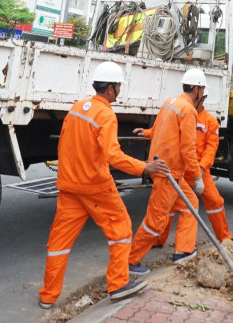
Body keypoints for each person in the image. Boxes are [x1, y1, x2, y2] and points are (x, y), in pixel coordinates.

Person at [38, 61, 170, 309]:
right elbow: (114, 155)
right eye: (119, 85)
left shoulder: (77, 108)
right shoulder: (106, 114)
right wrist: (145, 167)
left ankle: (47, 296)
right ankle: (119, 284)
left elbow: (63, 145)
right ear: (110, 88)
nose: (119, 89)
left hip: (69, 186)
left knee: (59, 242)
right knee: (120, 229)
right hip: (95, 186)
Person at [129, 68, 206, 268]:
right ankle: (130, 260)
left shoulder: (170, 101)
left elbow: (159, 129)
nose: (202, 96)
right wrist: (197, 177)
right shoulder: (188, 110)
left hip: (172, 173)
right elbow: (188, 148)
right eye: (203, 91)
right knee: (155, 221)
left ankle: (183, 251)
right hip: (168, 174)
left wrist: (146, 133)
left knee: (191, 205)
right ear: (196, 89)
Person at [135, 87, 233, 245]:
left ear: (201, 98)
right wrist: (147, 132)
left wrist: (200, 171)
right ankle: (158, 240)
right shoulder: (184, 111)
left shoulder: (210, 121)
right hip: (180, 170)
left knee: (215, 201)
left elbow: (210, 150)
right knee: (169, 205)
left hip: (199, 171)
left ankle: (224, 238)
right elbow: (163, 129)